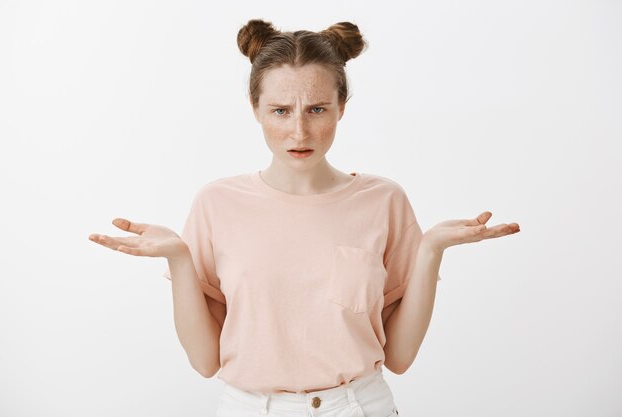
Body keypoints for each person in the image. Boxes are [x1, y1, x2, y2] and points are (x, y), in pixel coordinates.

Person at [89, 18, 520, 417]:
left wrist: (430, 251)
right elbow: (205, 362)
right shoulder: (216, 204)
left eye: (317, 109)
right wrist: (179, 259)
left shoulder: (383, 200)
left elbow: (400, 359)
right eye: (280, 111)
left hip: (360, 406)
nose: (299, 132)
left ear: (341, 108)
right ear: (255, 109)